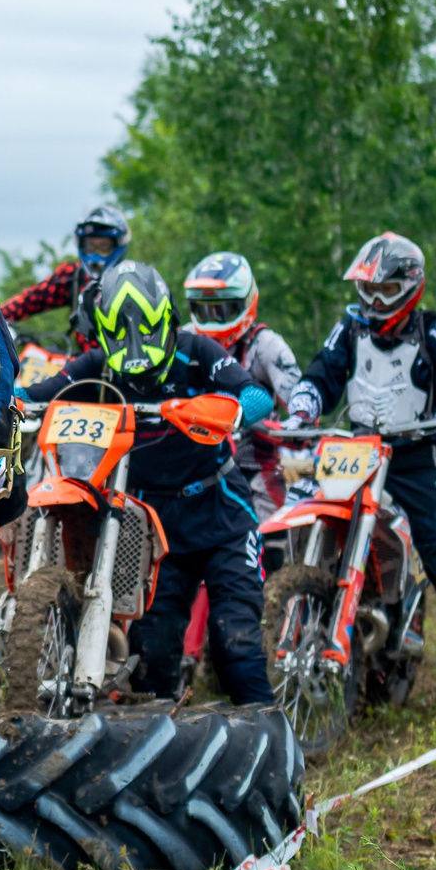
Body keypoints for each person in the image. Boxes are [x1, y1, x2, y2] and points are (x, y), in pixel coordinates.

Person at [22, 262, 278, 709]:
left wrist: (221, 411)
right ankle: (161, 752)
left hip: (223, 516)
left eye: (144, 328)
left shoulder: (197, 350)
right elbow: (41, 393)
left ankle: (274, 743)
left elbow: (257, 395)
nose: (135, 340)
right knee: (152, 659)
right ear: (104, 330)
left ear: (166, 319)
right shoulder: (98, 365)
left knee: (234, 643)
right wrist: (6, 399)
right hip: (150, 528)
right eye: (121, 331)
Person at [286, 232, 436, 695]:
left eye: (385, 291)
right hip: (355, 454)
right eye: (367, 291)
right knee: (302, 520)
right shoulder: (349, 329)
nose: (374, 301)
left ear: (410, 289)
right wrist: (302, 407)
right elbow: (321, 373)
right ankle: (305, 630)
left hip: (415, 460)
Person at [183, 252, 299, 532]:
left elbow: (300, 404)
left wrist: (288, 425)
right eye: (204, 310)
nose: (212, 320)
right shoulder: (185, 339)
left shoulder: (266, 346)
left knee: (274, 536)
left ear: (247, 302)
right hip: (193, 463)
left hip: (255, 465)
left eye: (221, 310)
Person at [0, 205, 129, 353]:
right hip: (84, 365)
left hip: (124, 365)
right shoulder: (73, 276)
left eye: (104, 247)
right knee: (39, 359)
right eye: (91, 246)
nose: (96, 253)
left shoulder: (131, 280)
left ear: (118, 246)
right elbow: (29, 300)